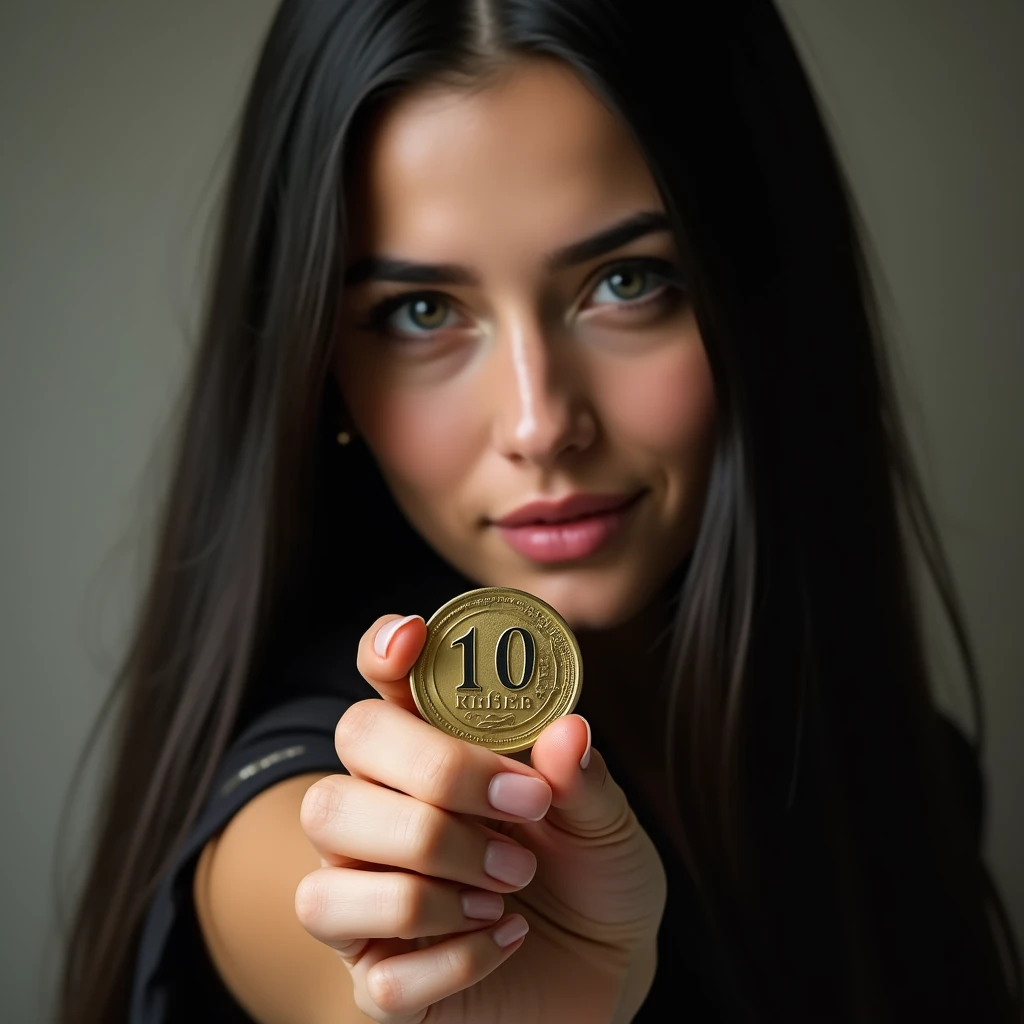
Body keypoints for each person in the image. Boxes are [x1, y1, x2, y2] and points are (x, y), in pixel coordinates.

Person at [55, 0, 1021, 1021]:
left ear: (761, 290)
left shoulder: (885, 760)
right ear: (322, 368)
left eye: (627, 281)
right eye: (421, 312)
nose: (537, 422)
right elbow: (312, 907)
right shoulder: (296, 798)